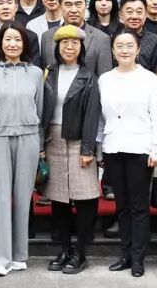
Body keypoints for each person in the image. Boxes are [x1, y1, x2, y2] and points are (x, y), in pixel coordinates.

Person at [0, 23, 44, 277]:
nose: (12, 44)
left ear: (24, 44)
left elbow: (40, 109)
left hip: (29, 140)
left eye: (17, 39)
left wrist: (40, 146)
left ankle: (19, 255)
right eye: (8, 39)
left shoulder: (36, 73)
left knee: (24, 199)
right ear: (1, 44)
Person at [99, 30, 157, 278]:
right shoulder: (105, 79)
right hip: (113, 148)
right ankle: (125, 254)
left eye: (129, 46)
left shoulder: (149, 79)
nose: (124, 50)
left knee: (139, 207)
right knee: (122, 205)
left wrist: (156, 149)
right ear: (113, 50)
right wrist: (99, 148)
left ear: (138, 50)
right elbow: (100, 119)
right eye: (119, 46)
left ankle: (138, 258)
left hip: (140, 149)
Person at [41, 25, 102, 275]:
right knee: (58, 198)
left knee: (85, 196)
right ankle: (65, 249)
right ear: (57, 47)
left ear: (81, 48)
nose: (69, 47)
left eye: (75, 43)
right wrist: (40, 144)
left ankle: (80, 252)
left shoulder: (89, 76)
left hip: (79, 140)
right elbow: (41, 110)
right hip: (53, 139)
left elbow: (92, 115)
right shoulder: (48, 72)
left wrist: (88, 149)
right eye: (64, 43)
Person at [39, 0, 112, 75]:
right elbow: (45, 74)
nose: (74, 10)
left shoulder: (102, 39)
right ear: (60, 7)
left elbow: (104, 78)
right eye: (68, 5)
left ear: (85, 6)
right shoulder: (47, 36)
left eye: (78, 4)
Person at [118, 0, 157, 72]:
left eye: (139, 12)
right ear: (120, 15)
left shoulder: (156, 41)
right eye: (129, 12)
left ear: (145, 15)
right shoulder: (114, 40)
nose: (134, 17)